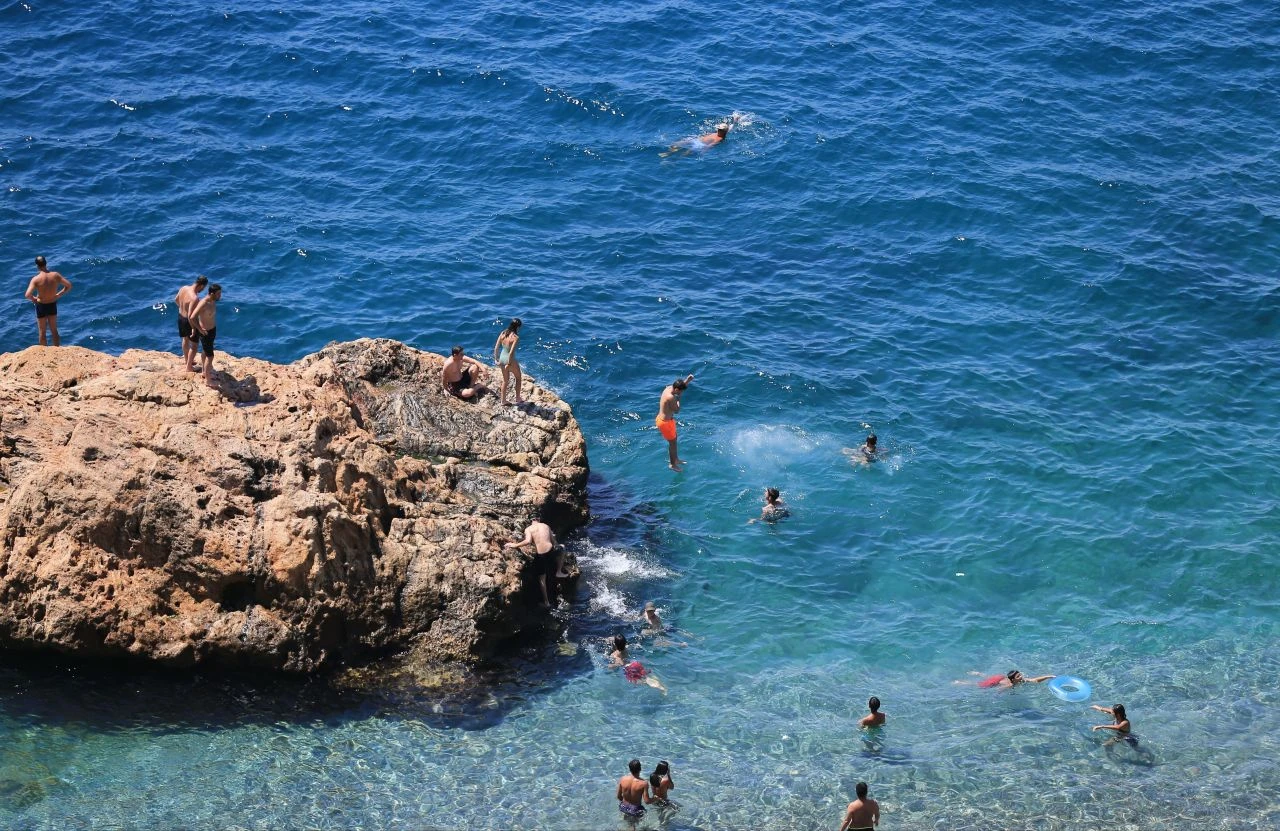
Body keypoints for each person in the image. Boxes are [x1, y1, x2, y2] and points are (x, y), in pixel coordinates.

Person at [504, 515, 565, 606]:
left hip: (541, 555)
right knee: (562, 547)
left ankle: (546, 602)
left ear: (531, 520)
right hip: (551, 552)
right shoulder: (546, 526)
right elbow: (554, 542)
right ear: (539, 519)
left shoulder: (528, 529)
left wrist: (515, 545)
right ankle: (559, 571)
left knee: (542, 578)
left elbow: (528, 541)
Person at [24, 255, 72, 346]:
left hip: (41, 305)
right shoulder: (55, 275)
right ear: (46, 263)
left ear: (37, 266)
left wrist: (34, 299)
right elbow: (68, 285)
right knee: (54, 330)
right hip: (52, 304)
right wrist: (58, 295)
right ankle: (57, 349)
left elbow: (27, 295)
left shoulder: (36, 279)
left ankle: (43, 352)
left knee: (42, 332)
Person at [656, 374, 694, 471]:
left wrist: (687, 380)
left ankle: (676, 459)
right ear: (676, 390)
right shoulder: (671, 397)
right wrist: (679, 399)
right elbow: (677, 410)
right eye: (680, 391)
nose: (681, 393)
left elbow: (679, 387)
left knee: (674, 440)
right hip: (664, 423)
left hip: (668, 420)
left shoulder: (669, 388)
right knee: (672, 443)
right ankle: (672, 465)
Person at [188, 283, 222, 387]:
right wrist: (199, 329)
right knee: (210, 356)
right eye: (218, 294)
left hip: (212, 330)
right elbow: (192, 317)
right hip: (205, 332)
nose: (220, 296)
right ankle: (208, 380)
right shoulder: (203, 303)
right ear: (211, 294)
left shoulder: (213, 300)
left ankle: (204, 372)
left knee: (205, 351)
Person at [175, 275, 208, 372]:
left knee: (185, 340)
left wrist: (182, 308)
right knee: (194, 346)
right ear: (202, 286)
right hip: (188, 321)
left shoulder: (184, 288)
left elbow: (176, 300)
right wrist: (195, 328)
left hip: (180, 317)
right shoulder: (194, 298)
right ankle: (189, 367)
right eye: (203, 288)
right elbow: (190, 316)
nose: (202, 290)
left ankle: (187, 361)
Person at [491, 317, 524, 406]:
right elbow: (511, 352)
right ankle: (518, 398)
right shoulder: (515, 337)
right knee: (518, 378)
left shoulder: (503, 333)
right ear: (517, 327)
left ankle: (503, 401)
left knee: (505, 380)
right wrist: (509, 363)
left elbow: (496, 348)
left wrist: (496, 359)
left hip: (502, 358)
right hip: (509, 360)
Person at [662, 118, 735, 156]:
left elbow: (710, 145)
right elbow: (709, 146)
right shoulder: (721, 136)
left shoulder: (719, 136)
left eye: (720, 129)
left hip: (698, 141)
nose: (718, 130)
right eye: (719, 129)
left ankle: (670, 155)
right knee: (684, 148)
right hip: (698, 142)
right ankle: (669, 154)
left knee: (685, 148)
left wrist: (735, 120)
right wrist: (703, 152)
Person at [976, 669, 1056, 689]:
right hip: (997, 681)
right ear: (1013, 680)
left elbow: (1035, 680)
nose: (1021, 676)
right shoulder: (1010, 685)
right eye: (1018, 676)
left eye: (1020, 674)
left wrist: (1048, 676)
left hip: (1001, 677)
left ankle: (978, 673)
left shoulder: (1021, 680)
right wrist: (996, 697)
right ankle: (970, 680)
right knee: (978, 685)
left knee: (988, 677)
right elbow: (999, 689)